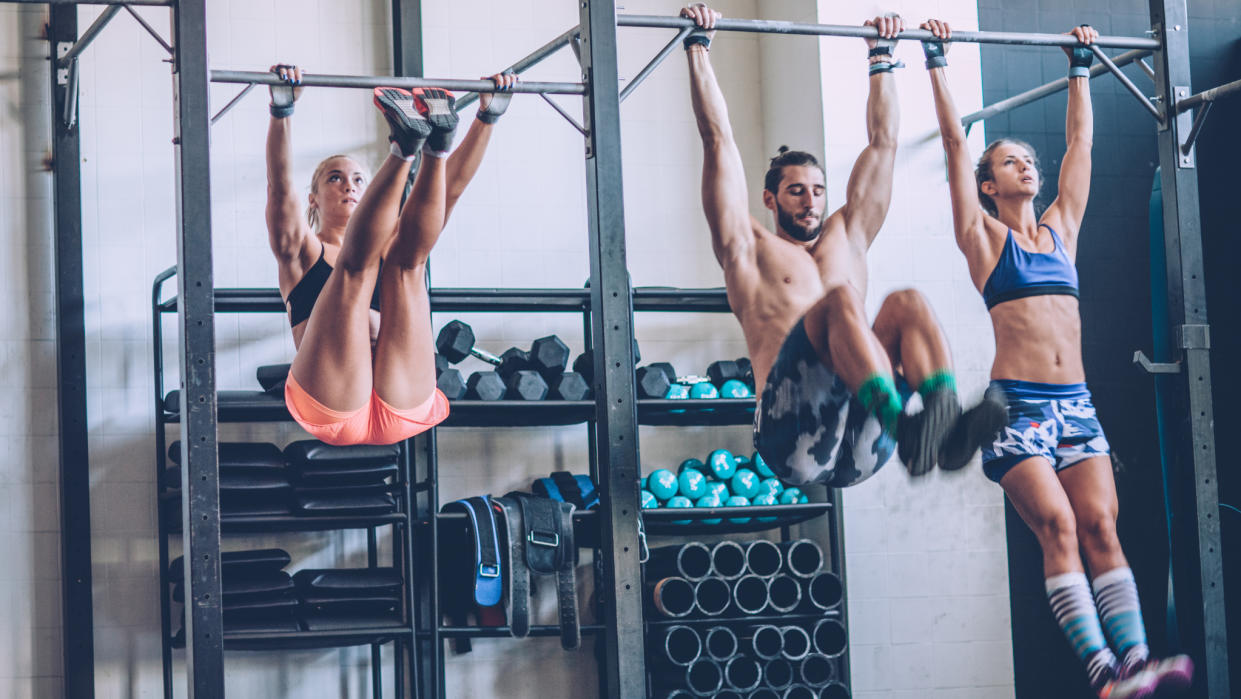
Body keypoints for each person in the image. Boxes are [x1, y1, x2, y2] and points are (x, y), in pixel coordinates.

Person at [918, 19, 1194, 698]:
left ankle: (1133, 665)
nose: (1026, 166)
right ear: (988, 187)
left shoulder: (1059, 231)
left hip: (1076, 407)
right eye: (1010, 162)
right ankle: (1100, 670)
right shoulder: (982, 240)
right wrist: (934, 58)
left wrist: (1079, 64)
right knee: (1059, 525)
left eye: (1026, 161)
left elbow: (1080, 142)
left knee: (1101, 523)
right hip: (1015, 410)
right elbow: (956, 145)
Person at [679, 3, 1006, 489]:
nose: (810, 202)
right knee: (838, 302)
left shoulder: (848, 236)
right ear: (769, 198)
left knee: (906, 303)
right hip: (791, 437)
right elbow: (717, 140)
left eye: (817, 190)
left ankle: (943, 426)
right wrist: (698, 47)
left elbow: (883, 143)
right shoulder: (746, 247)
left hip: (865, 442)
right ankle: (910, 428)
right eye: (795, 191)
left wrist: (882, 57)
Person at [264, 65, 518, 445]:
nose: (348, 185)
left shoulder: (393, 239)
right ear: (313, 198)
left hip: (402, 399)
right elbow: (280, 188)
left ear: (370, 192)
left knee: (408, 262)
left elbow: (451, 189)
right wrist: (282, 112)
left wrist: (488, 116)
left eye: (357, 180)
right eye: (334, 177)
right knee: (354, 268)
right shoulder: (302, 251)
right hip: (332, 403)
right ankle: (403, 149)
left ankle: (429, 147)